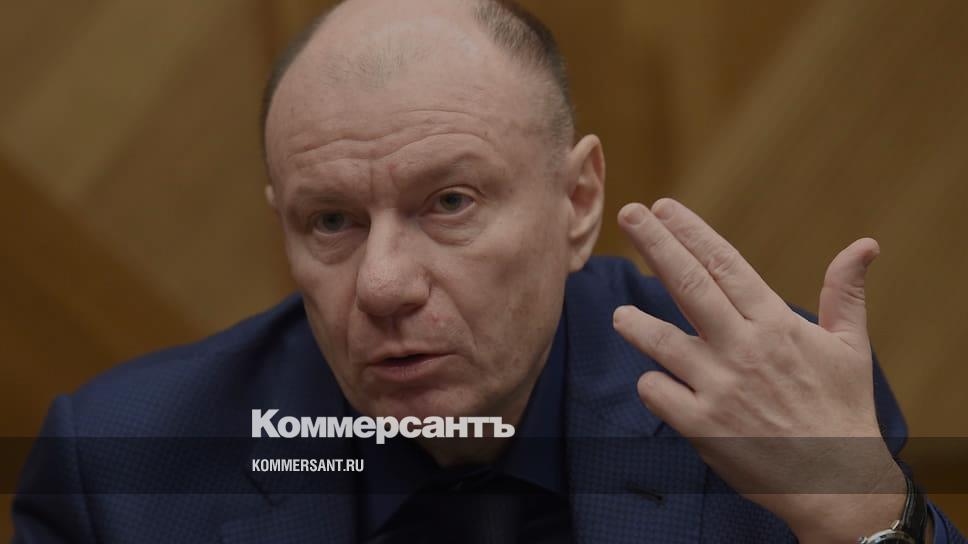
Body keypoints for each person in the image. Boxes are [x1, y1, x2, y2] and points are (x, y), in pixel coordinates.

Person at [12, 0, 965, 542]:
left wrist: (862, 515)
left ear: (576, 201)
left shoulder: (777, 398)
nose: (384, 285)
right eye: (331, 221)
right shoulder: (121, 471)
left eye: (450, 203)